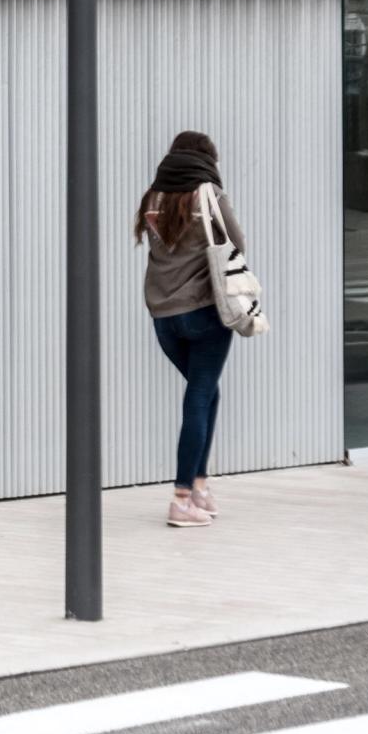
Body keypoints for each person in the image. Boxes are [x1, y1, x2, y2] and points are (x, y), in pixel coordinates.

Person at [137, 131, 244, 529]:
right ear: (207, 159)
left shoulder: (153, 196)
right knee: (200, 395)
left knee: (205, 391)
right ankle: (182, 496)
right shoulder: (209, 193)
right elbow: (237, 242)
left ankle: (199, 487)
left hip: (164, 315)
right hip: (204, 310)